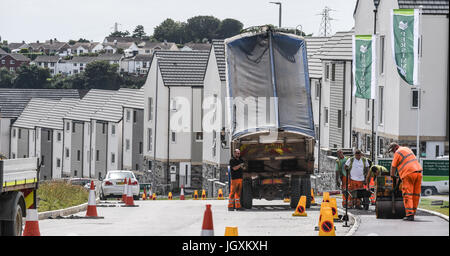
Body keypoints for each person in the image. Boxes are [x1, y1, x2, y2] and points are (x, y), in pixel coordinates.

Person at [388, 142, 423, 221]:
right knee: (415, 194)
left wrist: (392, 176)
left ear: (396, 147)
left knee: (407, 194)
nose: (393, 152)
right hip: (418, 172)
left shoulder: (398, 152)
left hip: (408, 173)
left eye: (393, 150)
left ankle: (409, 214)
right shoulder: (407, 149)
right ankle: (413, 212)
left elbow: (393, 167)